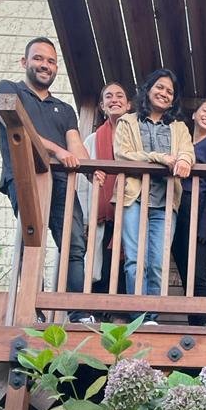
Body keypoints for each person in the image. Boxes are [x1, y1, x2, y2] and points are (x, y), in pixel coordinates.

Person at [0, 37, 91, 323]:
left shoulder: (65, 108)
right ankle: (32, 310)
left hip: (62, 183)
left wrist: (93, 168)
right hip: (26, 177)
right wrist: (58, 150)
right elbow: (14, 122)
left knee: (74, 245)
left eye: (50, 61)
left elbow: (76, 147)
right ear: (24, 63)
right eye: (38, 58)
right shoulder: (10, 90)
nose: (44, 65)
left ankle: (78, 312)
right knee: (32, 241)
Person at [113, 69, 194, 319]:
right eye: (159, 87)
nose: (164, 94)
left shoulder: (179, 128)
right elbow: (123, 154)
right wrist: (158, 158)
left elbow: (187, 153)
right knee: (135, 260)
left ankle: (152, 318)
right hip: (133, 197)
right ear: (148, 90)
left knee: (158, 263)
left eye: (170, 91)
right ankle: (137, 316)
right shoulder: (128, 121)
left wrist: (183, 160)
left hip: (165, 201)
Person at [170, 98, 206, 325]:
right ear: (193, 115)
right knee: (186, 269)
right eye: (205, 110)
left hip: (198, 210)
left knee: (196, 271)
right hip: (179, 208)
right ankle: (196, 321)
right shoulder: (184, 144)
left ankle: (205, 323)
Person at [78, 81, 131, 299]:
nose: (114, 100)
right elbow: (83, 182)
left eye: (120, 96)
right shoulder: (92, 140)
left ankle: (122, 314)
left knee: (126, 260)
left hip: (128, 208)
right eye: (109, 97)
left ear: (129, 105)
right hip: (102, 213)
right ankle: (99, 312)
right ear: (102, 105)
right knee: (100, 262)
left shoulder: (136, 138)